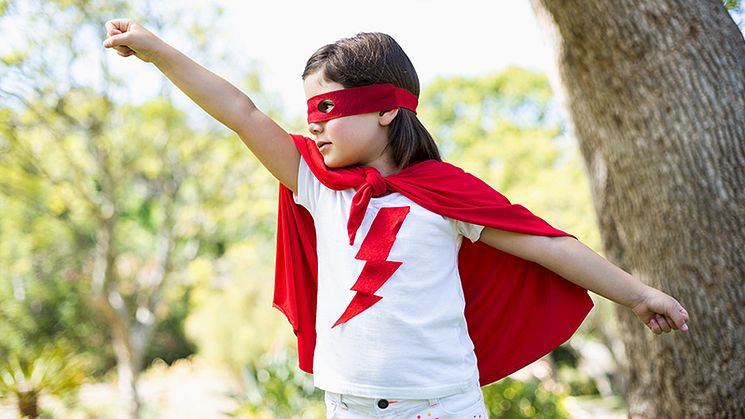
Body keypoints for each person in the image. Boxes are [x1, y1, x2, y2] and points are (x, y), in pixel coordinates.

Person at [103, 19, 690, 418]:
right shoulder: (316, 183)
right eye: (309, 109)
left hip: (442, 406)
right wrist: (157, 52)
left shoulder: (446, 193)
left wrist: (637, 295)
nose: (313, 123)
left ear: (388, 107)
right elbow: (241, 111)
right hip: (349, 405)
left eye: (327, 107)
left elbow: (551, 246)